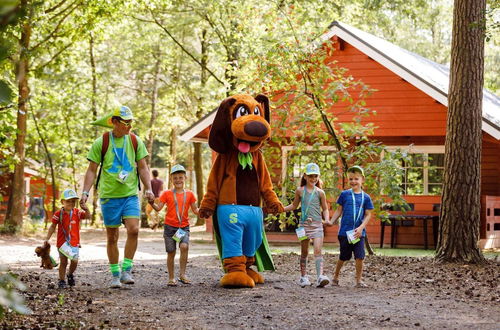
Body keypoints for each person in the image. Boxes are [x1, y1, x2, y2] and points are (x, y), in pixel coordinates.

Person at [80, 105, 155, 288]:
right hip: (109, 196)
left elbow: (143, 167)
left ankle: (126, 270)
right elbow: (91, 170)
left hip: (129, 194)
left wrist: (149, 188)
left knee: (133, 230)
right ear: (114, 122)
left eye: (131, 123)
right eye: (124, 123)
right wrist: (85, 192)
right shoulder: (102, 142)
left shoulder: (135, 141)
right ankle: (115, 274)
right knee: (112, 237)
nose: (128, 127)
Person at [149, 164, 199, 286]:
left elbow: (196, 211)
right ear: (171, 179)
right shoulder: (166, 194)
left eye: (180, 177)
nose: (178, 180)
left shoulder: (190, 194)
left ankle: (182, 274)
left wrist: (207, 209)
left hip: (183, 228)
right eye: (175, 178)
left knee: (184, 247)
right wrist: (151, 203)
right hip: (170, 228)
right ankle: (171, 278)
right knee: (171, 252)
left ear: (185, 178)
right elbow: (158, 208)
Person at [284, 163, 330, 288]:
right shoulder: (300, 191)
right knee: (304, 252)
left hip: (317, 225)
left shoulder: (320, 193)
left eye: (315, 176)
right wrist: (281, 209)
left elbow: (325, 209)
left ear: (318, 177)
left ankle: (320, 277)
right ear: (305, 176)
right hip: (303, 225)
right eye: (310, 176)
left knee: (317, 251)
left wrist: (327, 219)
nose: (313, 178)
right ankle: (303, 277)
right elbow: (294, 206)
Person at [327, 165, 374, 288]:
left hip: (358, 233)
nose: (353, 181)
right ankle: (335, 277)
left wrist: (361, 228)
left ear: (362, 179)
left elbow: (368, 215)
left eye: (356, 179)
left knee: (360, 256)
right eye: (351, 179)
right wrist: (331, 221)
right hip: (344, 232)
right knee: (344, 256)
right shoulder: (344, 194)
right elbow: (339, 211)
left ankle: (359, 281)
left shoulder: (366, 197)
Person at [45, 189, 90, 289]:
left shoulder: (77, 212)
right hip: (62, 243)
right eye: (68, 201)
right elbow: (52, 226)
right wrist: (47, 238)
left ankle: (70, 274)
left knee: (74, 261)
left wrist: (86, 209)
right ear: (62, 202)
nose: (71, 203)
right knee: (63, 262)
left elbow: (88, 216)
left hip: (74, 243)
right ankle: (61, 280)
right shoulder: (58, 214)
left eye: (73, 201)